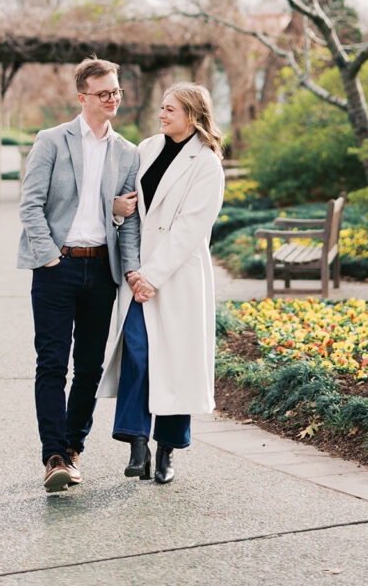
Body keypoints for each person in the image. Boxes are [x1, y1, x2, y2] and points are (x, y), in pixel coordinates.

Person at [17, 57, 140, 492]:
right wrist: (49, 257)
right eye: (103, 93)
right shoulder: (52, 140)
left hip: (101, 269)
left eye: (116, 92)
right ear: (82, 97)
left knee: (89, 367)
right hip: (57, 266)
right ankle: (53, 455)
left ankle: (72, 449)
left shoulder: (128, 152)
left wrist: (130, 269)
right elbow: (30, 204)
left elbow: (128, 220)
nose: (112, 99)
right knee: (52, 363)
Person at [97, 82, 225, 485]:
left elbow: (190, 228)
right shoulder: (147, 149)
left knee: (175, 362)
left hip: (179, 276)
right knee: (136, 352)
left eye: (170, 109)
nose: (162, 114)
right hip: (139, 275)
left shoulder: (207, 164)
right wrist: (135, 270)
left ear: (192, 115)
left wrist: (152, 276)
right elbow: (132, 212)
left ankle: (167, 449)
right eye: (162, 107)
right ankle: (137, 443)